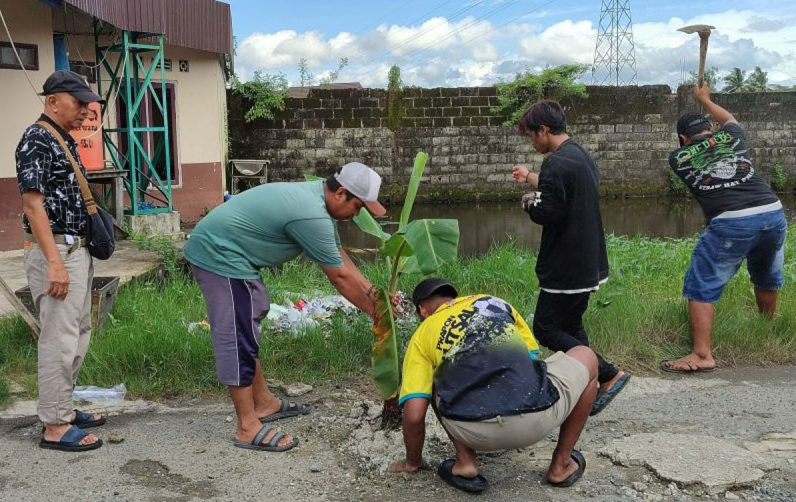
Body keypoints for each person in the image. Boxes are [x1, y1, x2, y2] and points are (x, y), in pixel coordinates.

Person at [184, 162, 388, 452]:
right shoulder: (312, 214)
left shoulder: (317, 202)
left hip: (235, 256)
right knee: (237, 332)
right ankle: (246, 426)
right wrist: (377, 314)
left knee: (251, 315)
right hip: (219, 254)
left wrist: (374, 294)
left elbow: (339, 256)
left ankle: (264, 402)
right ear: (341, 193)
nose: (356, 215)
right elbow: (340, 277)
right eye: (358, 207)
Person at [389, 278, 598, 493]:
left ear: (423, 310)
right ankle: (561, 464)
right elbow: (532, 361)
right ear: (455, 298)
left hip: (471, 430)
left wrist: (412, 462)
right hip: (538, 420)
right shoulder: (495, 303)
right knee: (586, 355)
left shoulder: (422, 335)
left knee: (433, 378)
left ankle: (465, 463)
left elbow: (414, 415)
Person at [510, 100, 629, 415]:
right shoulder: (578, 155)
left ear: (545, 130)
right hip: (587, 263)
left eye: (533, 136)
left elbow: (548, 211)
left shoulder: (556, 163)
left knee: (546, 328)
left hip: (566, 266)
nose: (533, 142)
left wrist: (528, 202)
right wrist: (531, 177)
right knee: (572, 325)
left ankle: (609, 373)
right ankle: (589, 384)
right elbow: (561, 191)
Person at [661, 85, 787, 374]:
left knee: (701, 283)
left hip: (732, 219)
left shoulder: (678, 157)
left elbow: (708, 141)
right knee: (766, 274)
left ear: (683, 138)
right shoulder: (731, 135)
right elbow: (729, 120)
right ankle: (765, 328)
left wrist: (704, 117)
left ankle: (702, 354)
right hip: (771, 211)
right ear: (711, 128)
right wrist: (706, 99)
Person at [16, 70, 107, 451]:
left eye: (88, 104)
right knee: (58, 339)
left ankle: (62, 409)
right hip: (57, 252)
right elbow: (33, 205)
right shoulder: (37, 138)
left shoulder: (62, 139)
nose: (86, 111)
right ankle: (54, 425)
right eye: (78, 102)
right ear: (53, 100)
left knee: (77, 333)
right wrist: (54, 264)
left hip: (75, 250)